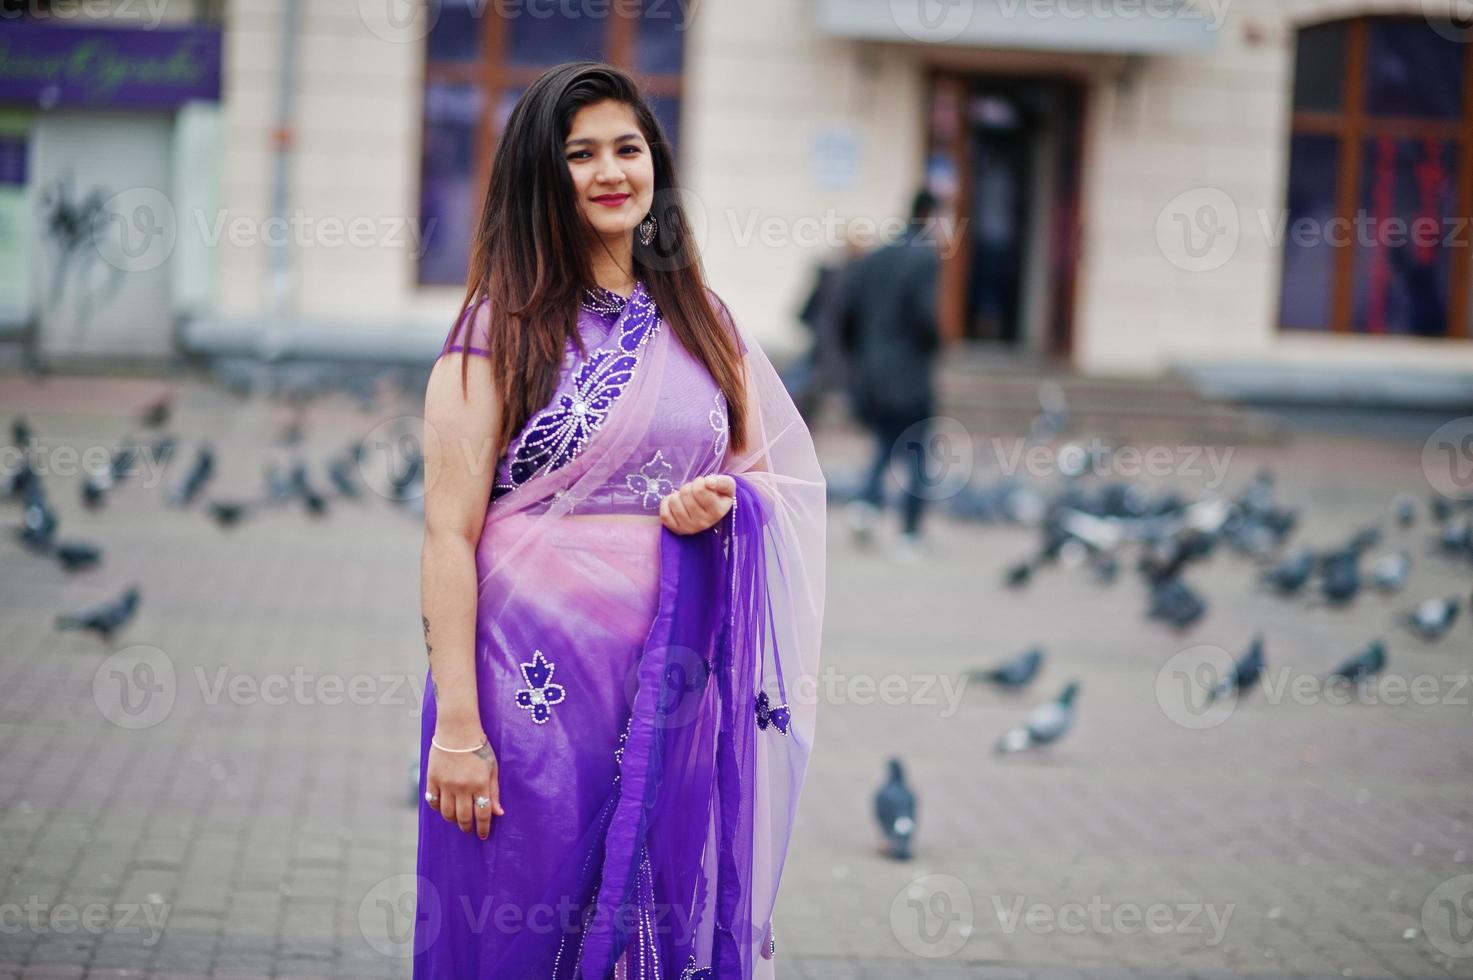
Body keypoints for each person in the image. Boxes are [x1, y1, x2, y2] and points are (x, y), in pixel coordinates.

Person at [416, 62, 826, 979]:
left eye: (628, 148)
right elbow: (447, 533)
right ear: (539, 177)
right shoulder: (497, 332)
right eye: (580, 153)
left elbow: (767, 485)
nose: (611, 171)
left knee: (649, 933)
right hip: (521, 695)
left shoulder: (705, 323)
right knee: (515, 929)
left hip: (671, 689)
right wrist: (457, 729)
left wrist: (718, 504)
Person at [838, 189, 942, 559]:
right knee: (915, 448)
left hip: (872, 370)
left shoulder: (876, 257)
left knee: (885, 441)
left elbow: (846, 313)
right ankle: (910, 529)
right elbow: (924, 316)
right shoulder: (924, 259)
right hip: (909, 371)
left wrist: (858, 356)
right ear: (931, 216)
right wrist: (935, 343)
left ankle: (866, 505)